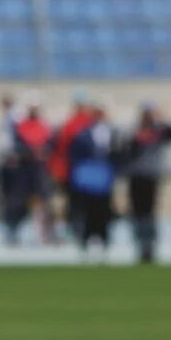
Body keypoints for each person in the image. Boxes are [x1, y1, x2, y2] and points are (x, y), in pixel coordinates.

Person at [119, 103, 171, 265]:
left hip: (151, 176)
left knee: (149, 212)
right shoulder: (133, 132)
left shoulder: (158, 132)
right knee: (138, 212)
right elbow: (126, 150)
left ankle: (150, 245)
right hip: (136, 176)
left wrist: (164, 119)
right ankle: (140, 243)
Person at [64, 105, 116, 258]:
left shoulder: (112, 133)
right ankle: (86, 240)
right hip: (88, 177)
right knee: (87, 209)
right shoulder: (83, 134)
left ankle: (103, 239)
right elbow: (74, 155)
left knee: (104, 209)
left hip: (104, 177)